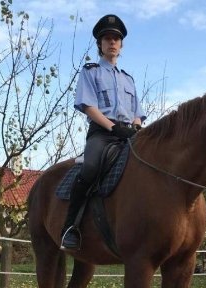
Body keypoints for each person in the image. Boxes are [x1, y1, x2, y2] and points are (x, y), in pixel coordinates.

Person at [61, 14, 146, 250]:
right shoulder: (90, 72)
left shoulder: (129, 80)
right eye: (107, 38)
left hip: (129, 134)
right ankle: (70, 227)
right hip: (102, 133)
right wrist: (113, 127)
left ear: (121, 45)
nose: (112, 42)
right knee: (90, 167)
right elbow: (88, 106)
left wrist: (135, 127)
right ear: (100, 44)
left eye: (116, 39)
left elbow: (138, 111)